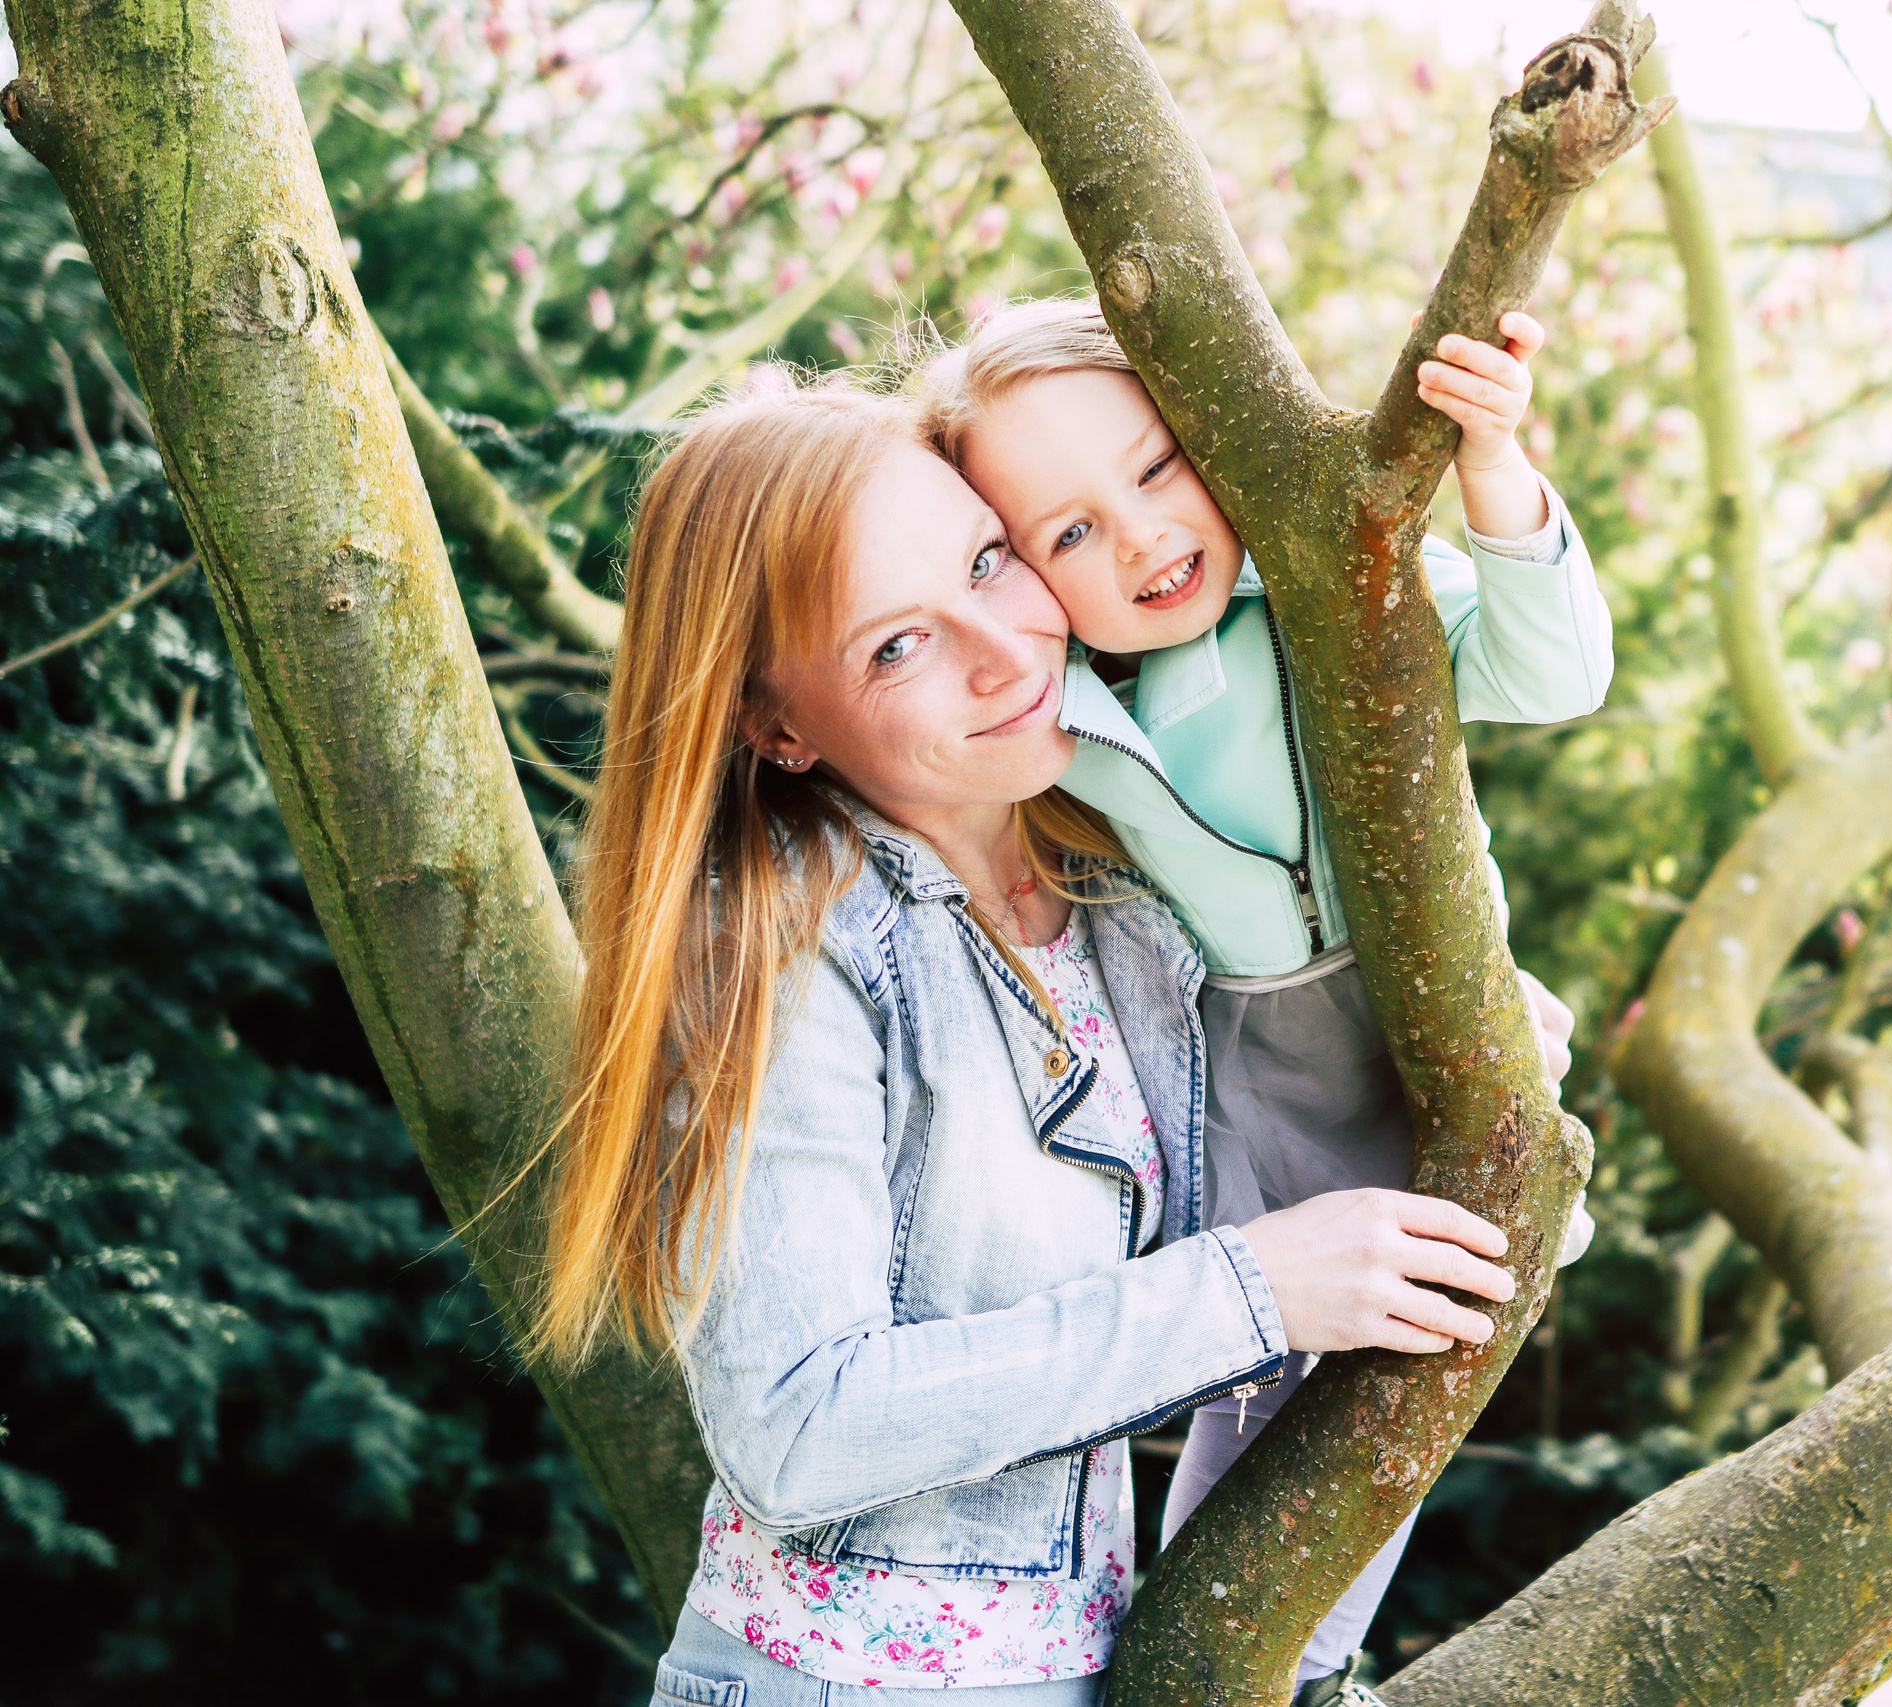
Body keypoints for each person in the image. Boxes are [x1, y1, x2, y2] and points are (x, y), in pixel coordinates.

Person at [525, 377, 1525, 1704]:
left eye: (989, 562)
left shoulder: (1114, 894)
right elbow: (796, 1428)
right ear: (775, 726)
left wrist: (1468, 1037)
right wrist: (1254, 1290)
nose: (1003, 651)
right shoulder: (776, 938)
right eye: (897, 646)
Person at [915, 299, 1611, 1700]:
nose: (1138, 539)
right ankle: (1184, 1645)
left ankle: (1307, 1664)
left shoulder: (1334, 599)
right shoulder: (1058, 715)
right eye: (1066, 535)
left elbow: (1556, 671)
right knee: (1263, 1382)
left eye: (1157, 469)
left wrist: (1493, 468)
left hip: (1429, 1027)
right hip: (1246, 1061)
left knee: (1422, 1356)